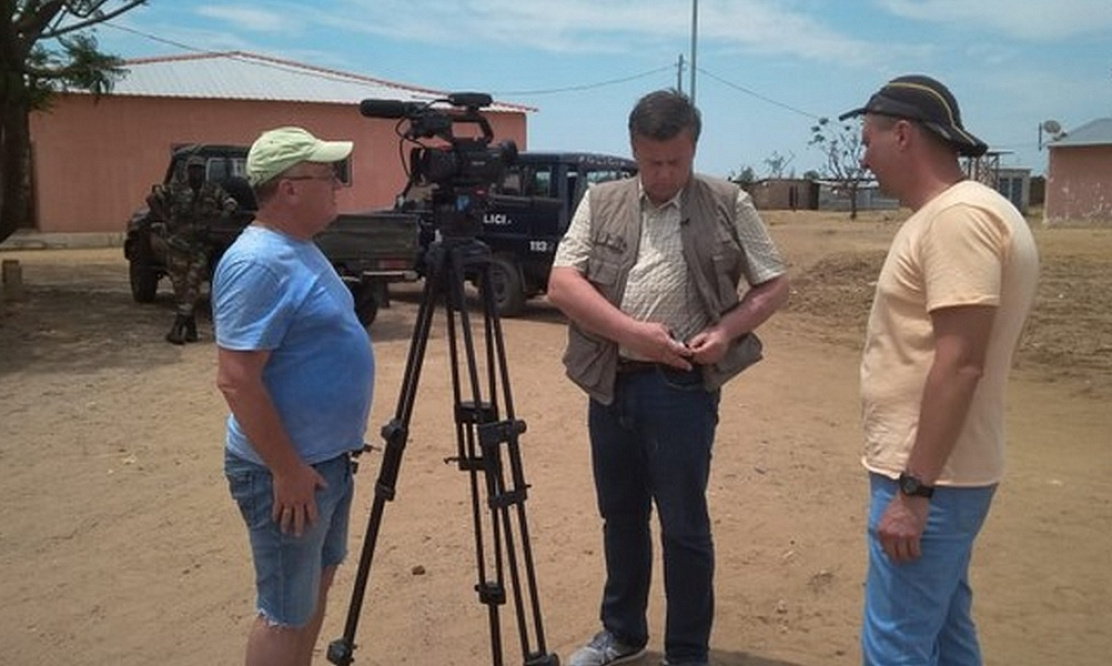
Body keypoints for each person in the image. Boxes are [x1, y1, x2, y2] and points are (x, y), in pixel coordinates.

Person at [547, 89, 791, 666]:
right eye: (652, 161)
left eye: (676, 162)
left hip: (680, 387)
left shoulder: (728, 201)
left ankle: (686, 652)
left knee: (684, 527)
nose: (664, 174)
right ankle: (622, 632)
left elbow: (774, 284)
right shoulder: (601, 200)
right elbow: (562, 283)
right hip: (610, 382)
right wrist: (632, 335)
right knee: (621, 516)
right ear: (633, 149)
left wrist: (728, 330)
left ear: (693, 149)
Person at [839, 75, 1039, 665]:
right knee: (946, 634)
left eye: (868, 138)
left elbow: (961, 363)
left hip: (931, 476)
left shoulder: (958, 220)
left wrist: (914, 490)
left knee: (895, 644)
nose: (863, 155)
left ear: (902, 135)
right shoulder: (966, 213)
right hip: (941, 473)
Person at [212, 127, 373, 666]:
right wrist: (286, 470)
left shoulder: (298, 249)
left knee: (310, 596)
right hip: (286, 471)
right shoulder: (258, 262)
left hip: (323, 463)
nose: (338, 187)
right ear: (289, 188)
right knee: (284, 611)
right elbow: (236, 378)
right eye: (329, 176)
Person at [147, 154, 237, 344]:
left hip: (200, 246)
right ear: (188, 171)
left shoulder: (213, 190)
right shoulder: (176, 189)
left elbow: (230, 203)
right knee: (180, 287)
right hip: (177, 244)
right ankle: (191, 329)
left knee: (193, 285)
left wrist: (221, 217)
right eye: (193, 169)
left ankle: (177, 327)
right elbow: (152, 198)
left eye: (199, 169)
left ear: (204, 171)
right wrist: (165, 218)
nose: (196, 172)